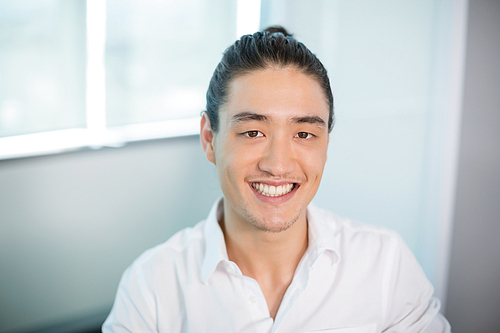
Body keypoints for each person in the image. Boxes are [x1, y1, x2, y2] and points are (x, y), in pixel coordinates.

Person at [102, 26, 451, 332]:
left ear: (326, 143)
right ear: (210, 139)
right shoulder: (151, 286)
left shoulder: (385, 264)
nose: (278, 165)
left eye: (303, 135)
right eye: (253, 132)